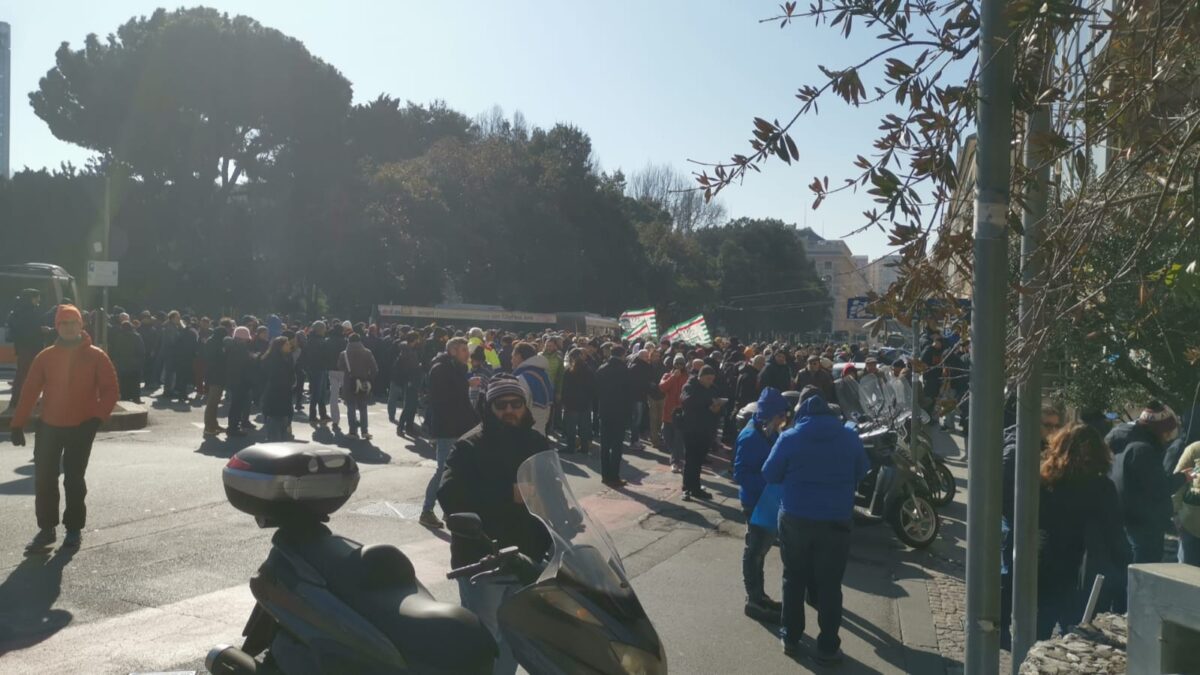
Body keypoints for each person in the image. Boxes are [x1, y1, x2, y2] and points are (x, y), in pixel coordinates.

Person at [437, 375, 551, 675]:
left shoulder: (537, 442)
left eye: (516, 404)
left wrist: (569, 523)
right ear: (489, 407)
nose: (510, 410)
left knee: (515, 637)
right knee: (484, 640)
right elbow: (450, 495)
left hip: (526, 559)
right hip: (483, 559)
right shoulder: (469, 446)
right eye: (502, 405)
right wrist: (506, 492)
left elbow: (555, 491)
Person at [762, 394, 869, 664]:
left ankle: (791, 637)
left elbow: (770, 473)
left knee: (793, 578)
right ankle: (828, 646)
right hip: (836, 519)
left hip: (796, 516)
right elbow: (862, 471)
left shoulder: (790, 437)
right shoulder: (848, 436)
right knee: (830, 584)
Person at [10, 305, 119, 551]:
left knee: (74, 479)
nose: (69, 327)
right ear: (57, 326)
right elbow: (29, 391)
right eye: (64, 323)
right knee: (45, 479)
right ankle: (47, 529)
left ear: (82, 325)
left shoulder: (96, 356)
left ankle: (73, 529)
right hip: (49, 426)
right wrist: (18, 424)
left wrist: (97, 418)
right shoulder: (45, 356)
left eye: (73, 323)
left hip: (82, 426)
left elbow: (111, 390)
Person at [1036, 424, 1130, 639]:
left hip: (1046, 561)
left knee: (1039, 625)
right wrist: (1125, 564)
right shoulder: (1102, 487)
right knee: (1074, 631)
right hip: (1082, 569)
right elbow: (1114, 533)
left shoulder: (1047, 480)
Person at [1106, 401, 1192, 563]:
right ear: (1159, 430)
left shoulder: (1121, 439)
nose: (1168, 438)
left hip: (1124, 516)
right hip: (1145, 523)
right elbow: (1159, 487)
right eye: (1167, 432)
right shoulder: (1143, 450)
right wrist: (1183, 477)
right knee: (1144, 571)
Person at [734, 387, 789, 622]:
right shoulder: (750, 437)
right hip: (756, 502)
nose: (783, 420)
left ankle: (760, 596)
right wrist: (769, 482)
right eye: (780, 416)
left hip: (767, 500)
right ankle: (754, 600)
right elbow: (740, 473)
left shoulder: (768, 432)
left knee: (761, 550)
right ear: (770, 414)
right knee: (755, 551)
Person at [421, 337, 479, 529]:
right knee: (443, 470)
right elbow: (442, 399)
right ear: (453, 351)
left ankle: (449, 510)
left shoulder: (456, 368)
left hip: (459, 426)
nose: (467, 354)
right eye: (464, 350)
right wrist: (467, 385)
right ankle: (427, 510)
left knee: (456, 471)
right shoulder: (441, 369)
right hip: (447, 428)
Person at [679, 365, 726, 501]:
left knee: (699, 460)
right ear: (700, 377)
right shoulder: (690, 386)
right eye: (708, 378)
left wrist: (718, 408)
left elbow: (721, 410)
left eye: (712, 379)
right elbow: (687, 402)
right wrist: (708, 404)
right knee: (690, 459)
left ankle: (696, 487)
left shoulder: (714, 389)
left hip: (707, 429)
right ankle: (687, 487)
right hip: (691, 428)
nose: (710, 381)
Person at [596, 345, 635, 487]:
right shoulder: (625, 371)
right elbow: (630, 393)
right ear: (623, 354)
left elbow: (596, 390)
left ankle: (605, 475)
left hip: (605, 411)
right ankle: (614, 476)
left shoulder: (602, 369)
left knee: (605, 445)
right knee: (617, 445)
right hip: (620, 412)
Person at [6, 289, 46, 410]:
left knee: (24, 374)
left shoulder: (19, 311)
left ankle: (18, 400)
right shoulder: (28, 312)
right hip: (29, 347)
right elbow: (29, 330)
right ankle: (18, 401)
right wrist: (41, 330)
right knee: (25, 375)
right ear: (31, 298)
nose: (38, 300)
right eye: (36, 297)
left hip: (24, 347)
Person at [339, 333, 379, 440]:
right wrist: (369, 378)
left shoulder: (344, 354)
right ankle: (364, 431)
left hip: (349, 383)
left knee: (351, 407)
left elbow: (340, 367)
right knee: (363, 407)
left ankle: (353, 431)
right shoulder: (367, 352)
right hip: (364, 382)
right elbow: (375, 369)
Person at [511, 342, 554, 435]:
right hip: (541, 430)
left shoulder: (522, 378)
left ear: (519, 356)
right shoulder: (544, 375)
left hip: (526, 434)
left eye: (512, 356)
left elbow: (517, 412)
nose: (511, 360)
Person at [560, 348, 596, 454]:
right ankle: (584, 447)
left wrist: (564, 402)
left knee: (571, 427)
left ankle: (571, 447)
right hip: (585, 403)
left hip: (571, 404)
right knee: (584, 426)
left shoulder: (568, 372)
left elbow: (565, 388)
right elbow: (593, 388)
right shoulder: (589, 371)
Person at [261, 336, 296, 442]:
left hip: (285, 394)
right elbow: (273, 378)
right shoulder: (273, 360)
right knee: (275, 427)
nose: (289, 345)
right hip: (275, 396)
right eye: (286, 344)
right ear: (279, 347)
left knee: (283, 424)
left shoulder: (287, 357)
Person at [1172, 440, 1200, 566]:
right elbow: (1177, 484)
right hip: (1191, 525)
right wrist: (1176, 514)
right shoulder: (1194, 449)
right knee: (1186, 573)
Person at [660, 355, 689, 473]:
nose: (679, 366)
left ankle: (675, 461)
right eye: (677, 364)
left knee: (678, 437)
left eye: (681, 364)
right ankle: (677, 455)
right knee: (666, 435)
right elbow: (662, 387)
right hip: (668, 411)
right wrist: (673, 377)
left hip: (681, 412)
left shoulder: (687, 377)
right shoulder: (667, 375)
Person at [392, 332, 424, 437]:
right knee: (409, 405)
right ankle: (401, 427)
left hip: (407, 381)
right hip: (411, 381)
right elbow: (412, 368)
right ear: (414, 340)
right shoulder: (409, 352)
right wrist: (419, 366)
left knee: (411, 405)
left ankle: (408, 427)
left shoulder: (405, 350)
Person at [225, 326, 255, 436]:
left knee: (236, 405)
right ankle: (233, 428)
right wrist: (252, 358)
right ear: (242, 338)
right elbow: (243, 366)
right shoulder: (240, 349)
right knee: (237, 406)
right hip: (240, 381)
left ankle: (233, 427)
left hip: (234, 380)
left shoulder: (232, 347)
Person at [108, 320, 146, 403]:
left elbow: (115, 351)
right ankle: (136, 398)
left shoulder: (119, 337)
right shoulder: (137, 336)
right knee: (135, 382)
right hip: (134, 365)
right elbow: (141, 350)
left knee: (124, 382)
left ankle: (125, 396)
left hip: (122, 365)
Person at [202, 324, 229, 437]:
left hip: (214, 375)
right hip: (215, 376)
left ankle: (214, 424)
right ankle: (209, 426)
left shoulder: (211, 341)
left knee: (214, 402)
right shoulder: (215, 344)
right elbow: (217, 359)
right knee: (212, 402)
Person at [325, 322, 350, 434]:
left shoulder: (328, 341)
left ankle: (335, 420)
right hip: (343, 370)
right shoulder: (345, 341)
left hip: (331, 369)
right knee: (348, 395)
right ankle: (352, 418)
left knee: (333, 396)